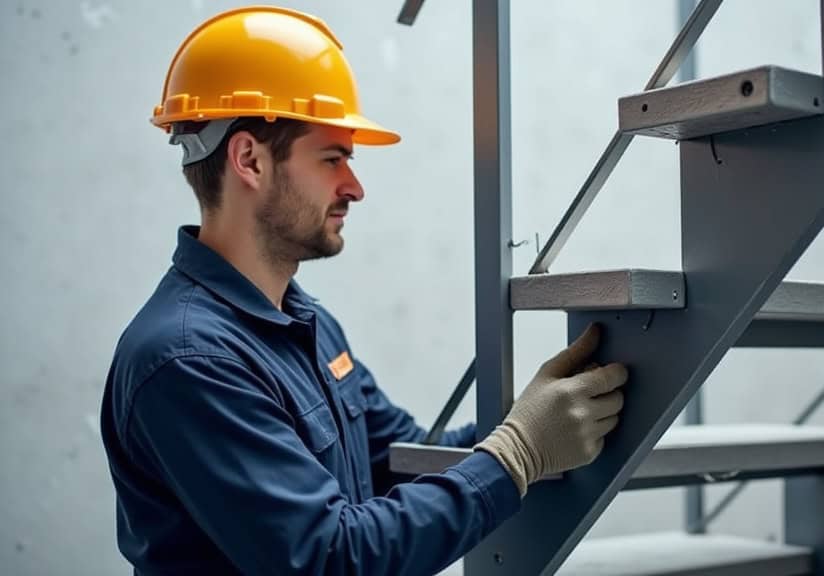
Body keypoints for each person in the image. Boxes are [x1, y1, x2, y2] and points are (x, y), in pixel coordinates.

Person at [99, 6, 627, 575]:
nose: (355, 187)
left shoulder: (308, 325)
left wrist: (534, 419)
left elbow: (397, 457)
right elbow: (332, 558)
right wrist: (516, 454)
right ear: (249, 159)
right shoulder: (188, 360)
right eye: (333, 159)